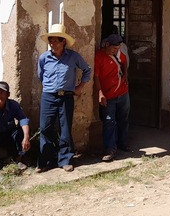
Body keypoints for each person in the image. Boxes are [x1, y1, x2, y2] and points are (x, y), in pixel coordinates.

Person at [37, 24, 91, 173]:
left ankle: (66, 160)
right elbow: (41, 75)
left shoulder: (73, 57)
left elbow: (87, 70)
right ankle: (45, 161)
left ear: (63, 42)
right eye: (51, 41)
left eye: (56, 41)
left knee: (65, 128)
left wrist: (80, 87)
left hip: (66, 97)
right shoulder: (43, 58)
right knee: (46, 128)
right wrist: (50, 88)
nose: (53, 44)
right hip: (48, 96)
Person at [0, 81, 30, 175]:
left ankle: (18, 158)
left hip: (8, 136)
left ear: (8, 95)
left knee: (20, 131)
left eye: (2, 93)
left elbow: (23, 120)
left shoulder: (13, 105)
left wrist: (26, 138)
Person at [94, 34, 131, 162]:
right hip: (108, 95)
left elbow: (124, 62)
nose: (116, 50)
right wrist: (100, 94)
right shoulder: (99, 57)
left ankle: (123, 143)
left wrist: (125, 75)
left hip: (123, 93)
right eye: (114, 48)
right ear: (107, 45)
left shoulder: (119, 54)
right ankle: (109, 149)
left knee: (123, 119)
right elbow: (96, 77)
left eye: (118, 48)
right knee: (109, 122)